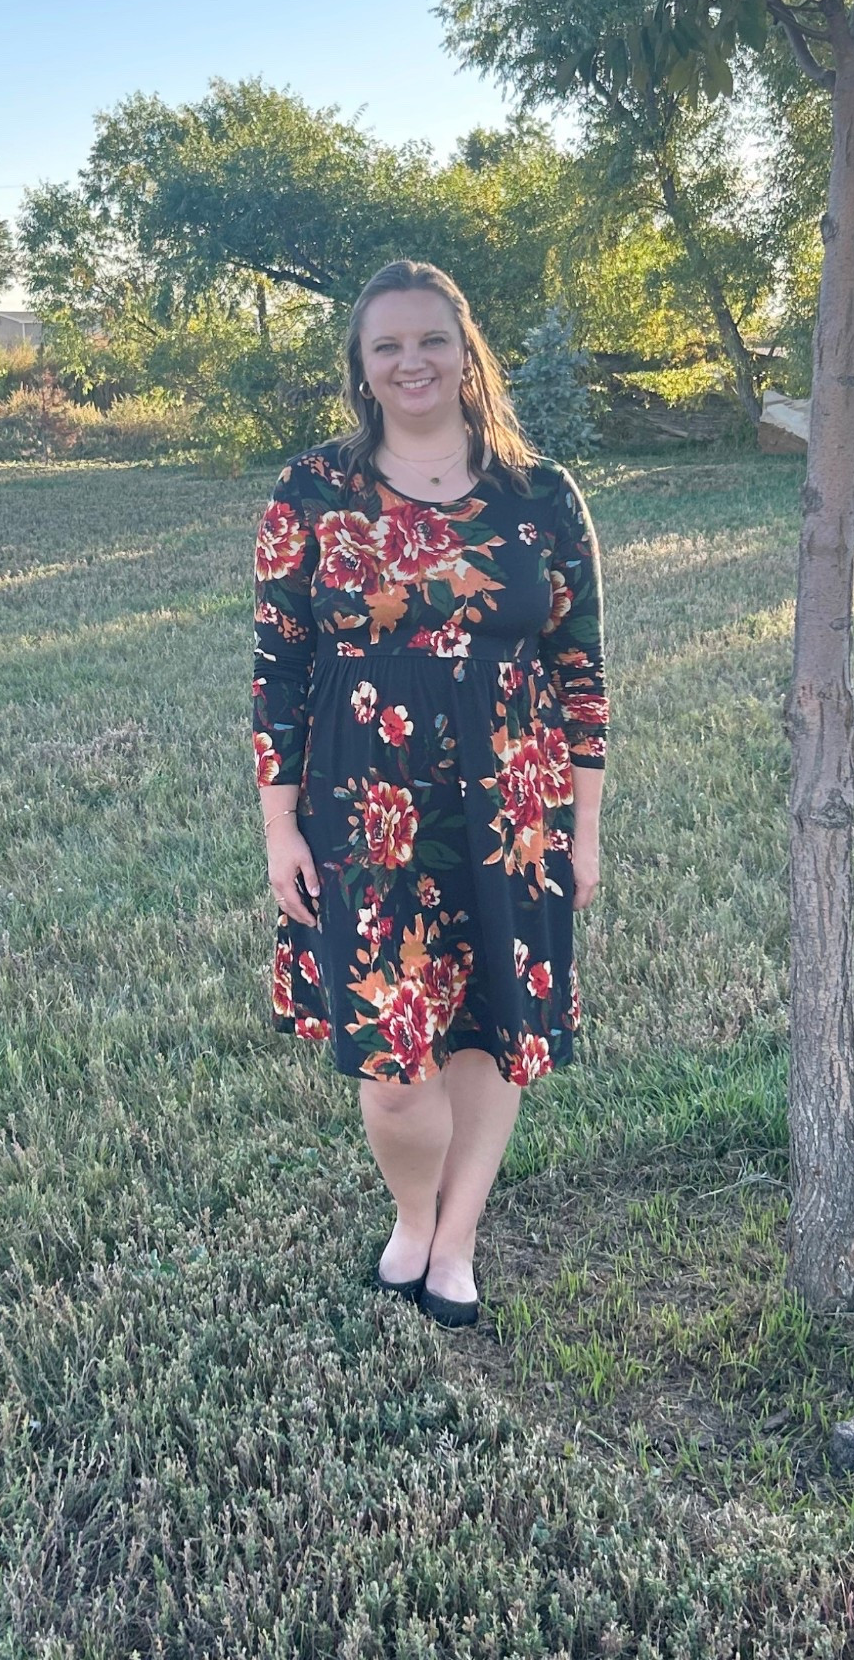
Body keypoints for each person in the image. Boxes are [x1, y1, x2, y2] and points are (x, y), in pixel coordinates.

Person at [252, 260, 608, 1329]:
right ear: (361, 368)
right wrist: (279, 827)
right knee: (395, 1067)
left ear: (465, 353)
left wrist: (584, 829)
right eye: (387, 346)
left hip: (515, 802)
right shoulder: (310, 491)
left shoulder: (540, 494)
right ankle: (414, 1214)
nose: (411, 362)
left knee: (490, 1024)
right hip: (365, 809)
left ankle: (455, 1240)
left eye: (430, 340)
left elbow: (581, 669)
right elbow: (277, 667)